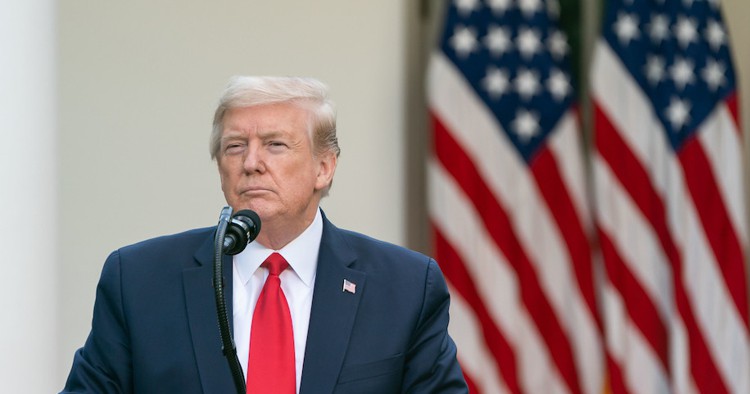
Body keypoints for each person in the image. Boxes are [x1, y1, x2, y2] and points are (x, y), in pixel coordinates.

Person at [62, 76, 468, 393]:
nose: (251, 162)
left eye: (274, 144)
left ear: (324, 167)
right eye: (235, 146)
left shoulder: (405, 287)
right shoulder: (138, 280)